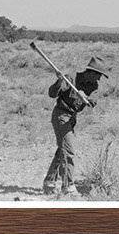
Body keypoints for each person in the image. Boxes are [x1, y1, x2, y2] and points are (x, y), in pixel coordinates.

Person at [42, 57, 109, 197]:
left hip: (72, 118)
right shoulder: (71, 78)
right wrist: (60, 81)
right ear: (90, 72)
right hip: (60, 115)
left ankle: (49, 182)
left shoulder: (94, 86)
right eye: (98, 75)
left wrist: (84, 97)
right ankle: (68, 187)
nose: (99, 79)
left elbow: (92, 103)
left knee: (63, 149)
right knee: (69, 150)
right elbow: (52, 94)